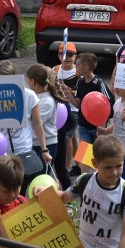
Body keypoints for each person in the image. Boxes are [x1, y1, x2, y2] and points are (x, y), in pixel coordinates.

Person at [68, 53, 114, 144]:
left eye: (77, 65)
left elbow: (110, 103)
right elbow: (79, 104)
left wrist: (103, 123)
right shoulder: (80, 82)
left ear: (86, 68)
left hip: (98, 128)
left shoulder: (99, 84)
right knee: (84, 157)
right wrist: (67, 93)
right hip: (83, 126)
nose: (75, 67)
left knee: (97, 155)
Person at [53, 43, 80, 179]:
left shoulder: (78, 72)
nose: (67, 57)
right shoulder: (55, 70)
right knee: (73, 137)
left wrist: (68, 91)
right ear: (58, 56)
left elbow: (81, 92)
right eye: (64, 54)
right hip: (60, 110)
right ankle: (79, 165)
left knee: (67, 138)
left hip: (74, 109)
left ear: (75, 56)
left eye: (70, 54)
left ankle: (66, 168)